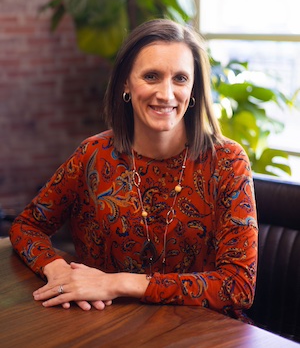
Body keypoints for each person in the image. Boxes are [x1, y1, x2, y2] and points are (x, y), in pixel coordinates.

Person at [10, 19, 258, 320]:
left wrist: (118, 283)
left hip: (202, 332)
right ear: (126, 82)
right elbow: (26, 226)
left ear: (194, 88)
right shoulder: (93, 155)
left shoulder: (227, 161)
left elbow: (239, 286)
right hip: (107, 328)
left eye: (180, 79)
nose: (166, 94)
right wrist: (58, 269)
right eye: (151, 76)